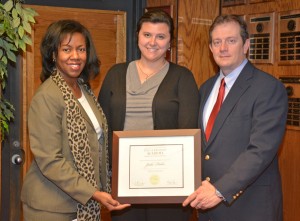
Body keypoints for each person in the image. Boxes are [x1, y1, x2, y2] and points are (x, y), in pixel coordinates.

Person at [21, 19, 130, 221]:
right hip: (52, 207)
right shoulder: (47, 96)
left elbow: (96, 145)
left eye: (81, 49)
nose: (75, 56)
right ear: (53, 55)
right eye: (67, 49)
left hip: (82, 205)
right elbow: (51, 161)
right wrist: (94, 193)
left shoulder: (83, 89)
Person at [182, 14, 288, 221]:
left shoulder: (268, 88)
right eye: (217, 42)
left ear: (246, 44)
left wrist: (220, 190)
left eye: (231, 41)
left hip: (249, 207)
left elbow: (261, 150)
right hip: (208, 207)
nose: (223, 48)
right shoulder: (205, 89)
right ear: (211, 48)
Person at [98, 10, 199, 221]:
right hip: (124, 181)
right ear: (137, 37)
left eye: (161, 36)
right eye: (147, 35)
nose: (153, 42)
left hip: (168, 185)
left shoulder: (183, 78)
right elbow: (102, 127)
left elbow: (188, 132)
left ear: (170, 42)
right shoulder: (116, 74)